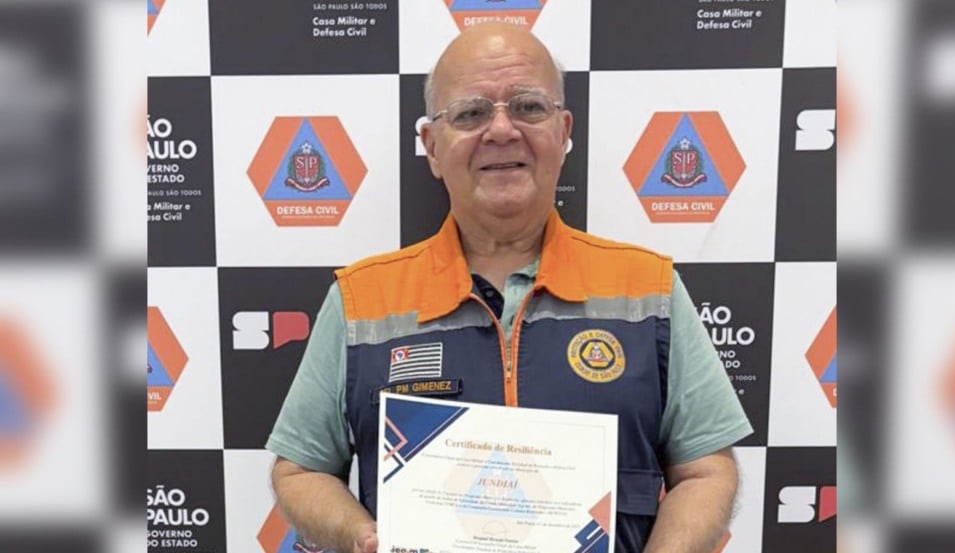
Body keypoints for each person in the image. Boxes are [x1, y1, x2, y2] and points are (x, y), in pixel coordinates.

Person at [266, 23, 752, 553]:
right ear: (431, 146)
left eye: (528, 107)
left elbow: (706, 472)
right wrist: (361, 536)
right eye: (471, 113)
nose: (501, 130)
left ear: (563, 132)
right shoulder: (362, 300)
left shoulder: (649, 289)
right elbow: (300, 472)